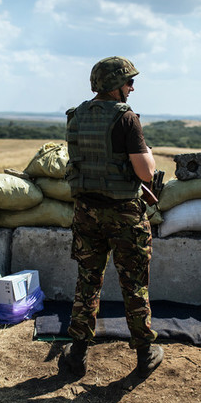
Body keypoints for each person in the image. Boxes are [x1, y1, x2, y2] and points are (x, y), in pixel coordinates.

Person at [62, 56, 164, 378]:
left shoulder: (76, 116)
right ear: (113, 85)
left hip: (86, 214)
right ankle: (145, 353)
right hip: (123, 215)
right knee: (133, 285)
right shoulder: (126, 119)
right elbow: (146, 173)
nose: (132, 88)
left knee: (87, 282)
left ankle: (77, 354)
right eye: (128, 82)